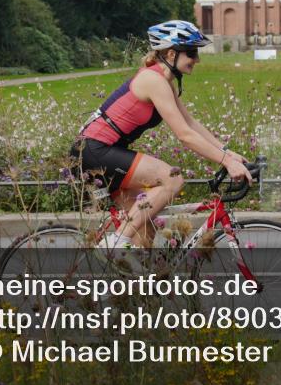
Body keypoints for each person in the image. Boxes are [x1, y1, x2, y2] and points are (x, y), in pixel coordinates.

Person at [71, 20, 252, 248]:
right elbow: (184, 135)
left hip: (104, 151)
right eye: (192, 52)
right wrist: (225, 161)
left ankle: (133, 280)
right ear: (170, 53)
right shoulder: (153, 80)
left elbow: (190, 123)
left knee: (146, 228)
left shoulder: (165, 82)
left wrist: (227, 153)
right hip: (93, 150)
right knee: (172, 178)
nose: (197, 59)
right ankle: (115, 242)